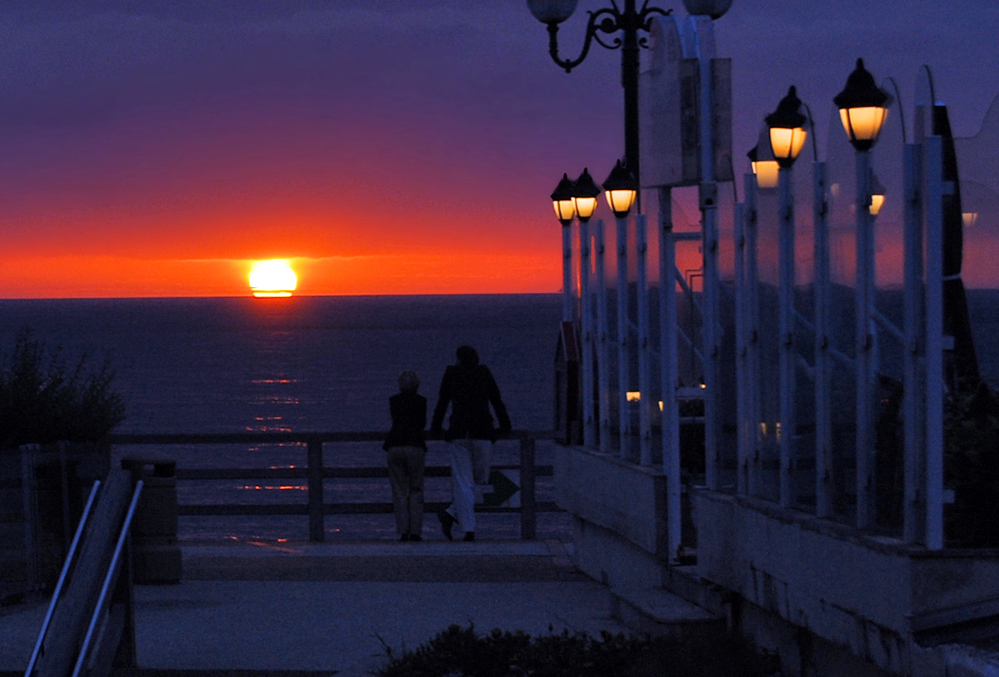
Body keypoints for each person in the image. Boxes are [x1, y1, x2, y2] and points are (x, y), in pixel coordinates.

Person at [430, 345, 511, 541]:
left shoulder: (452, 373)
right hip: (482, 432)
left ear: (458, 358)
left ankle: (454, 515)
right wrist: (505, 425)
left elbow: (443, 401)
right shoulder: (484, 373)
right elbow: (496, 400)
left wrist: (435, 427)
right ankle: (467, 528)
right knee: (478, 480)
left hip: (459, 432)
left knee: (465, 482)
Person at [383, 370, 427, 542]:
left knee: (399, 491)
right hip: (415, 445)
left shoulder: (394, 401)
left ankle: (403, 531)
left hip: (395, 445)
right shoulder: (421, 401)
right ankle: (415, 531)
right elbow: (422, 423)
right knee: (416, 489)